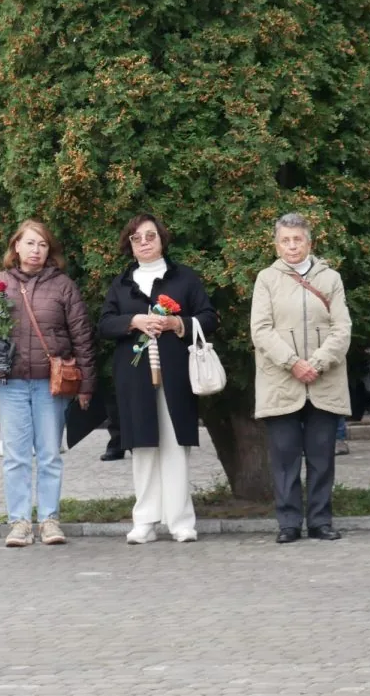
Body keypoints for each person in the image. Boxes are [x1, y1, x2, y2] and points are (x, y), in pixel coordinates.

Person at [0, 219, 97, 548]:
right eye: (30, 243)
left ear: (49, 251)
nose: (36, 250)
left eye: (42, 245)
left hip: (50, 385)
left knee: (50, 453)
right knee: (16, 455)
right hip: (10, 384)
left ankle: (50, 519)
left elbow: (82, 337)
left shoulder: (63, 286)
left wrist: (86, 386)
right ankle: (20, 522)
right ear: (16, 247)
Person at [98, 213, 217, 545]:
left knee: (176, 446)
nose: (145, 243)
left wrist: (177, 325)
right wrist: (134, 320)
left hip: (176, 373)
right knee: (143, 447)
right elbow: (104, 324)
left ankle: (180, 520)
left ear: (162, 239)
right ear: (130, 245)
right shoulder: (122, 284)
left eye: (150, 236)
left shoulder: (184, 279)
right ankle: (145, 520)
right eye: (137, 238)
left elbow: (209, 318)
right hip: (135, 376)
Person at [251, 213, 352, 543]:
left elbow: (342, 328)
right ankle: (289, 522)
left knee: (322, 456)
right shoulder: (266, 279)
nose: (292, 246)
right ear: (276, 243)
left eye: (297, 240)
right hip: (282, 381)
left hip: (324, 381)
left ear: (310, 242)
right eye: (285, 240)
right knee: (284, 458)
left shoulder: (330, 279)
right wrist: (293, 363)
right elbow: (261, 330)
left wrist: (318, 363)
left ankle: (321, 520)